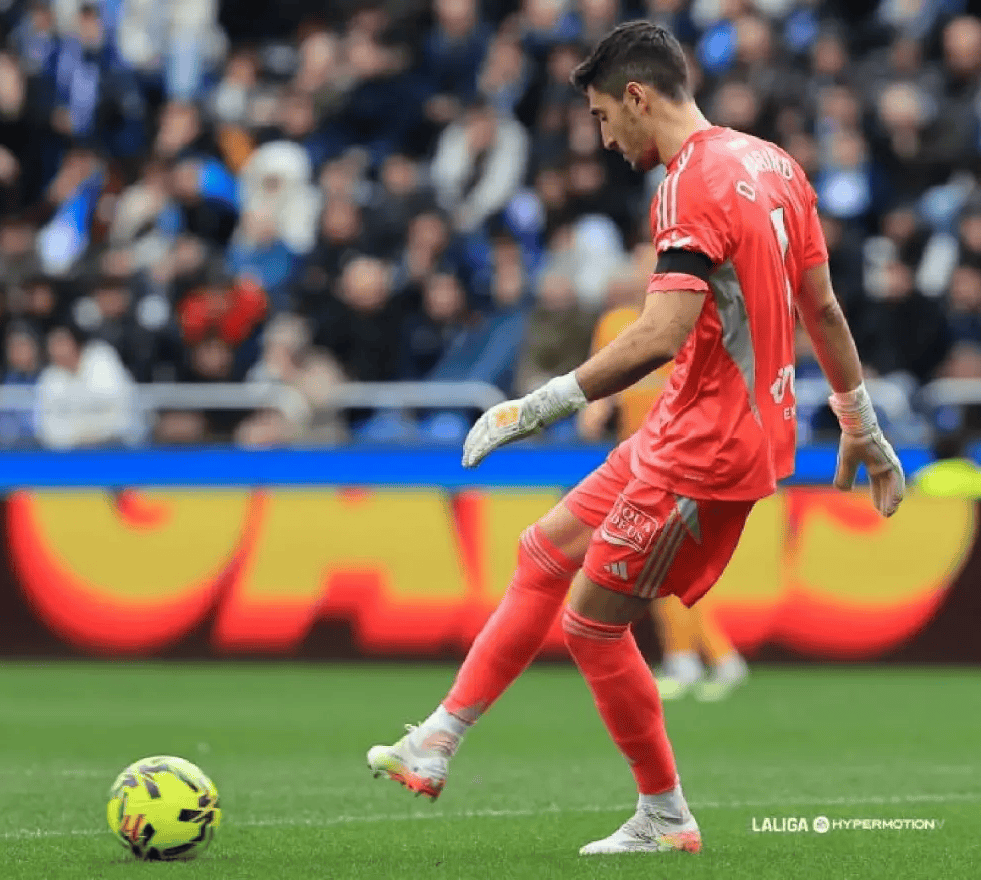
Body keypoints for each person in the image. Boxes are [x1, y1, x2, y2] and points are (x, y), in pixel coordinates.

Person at [366, 21, 906, 856]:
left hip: (707, 449)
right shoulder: (774, 164)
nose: (603, 137)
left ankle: (665, 815)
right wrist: (860, 421)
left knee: (590, 626)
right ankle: (437, 738)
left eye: (600, 116)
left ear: (636, 96)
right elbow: (823, 309)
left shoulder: (689, 185)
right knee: (543, 552)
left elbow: (659, 333)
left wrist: (536, 405)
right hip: (686, 425)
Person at [580, 263, 749, 703]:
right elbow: (605, 378)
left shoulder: (689, 321)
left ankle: (686, 660)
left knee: (659, 563)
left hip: (683, 458)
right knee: (663, 566)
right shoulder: (613, 324)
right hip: (634, 462)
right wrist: (595, 406)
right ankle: (720, 658)